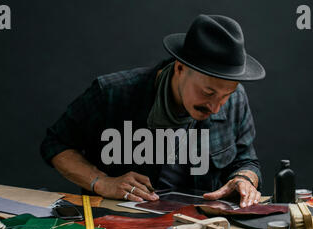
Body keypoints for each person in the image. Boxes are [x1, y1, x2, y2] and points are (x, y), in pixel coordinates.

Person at [40, 14, 265, 208]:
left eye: (225, 96)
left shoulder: (237, 98)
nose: (216, 107)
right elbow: (56, 143)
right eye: (207, 92)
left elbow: (247, 161)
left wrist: (244, 179)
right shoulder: (112, 93)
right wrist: (101, 182)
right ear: (180, 68)